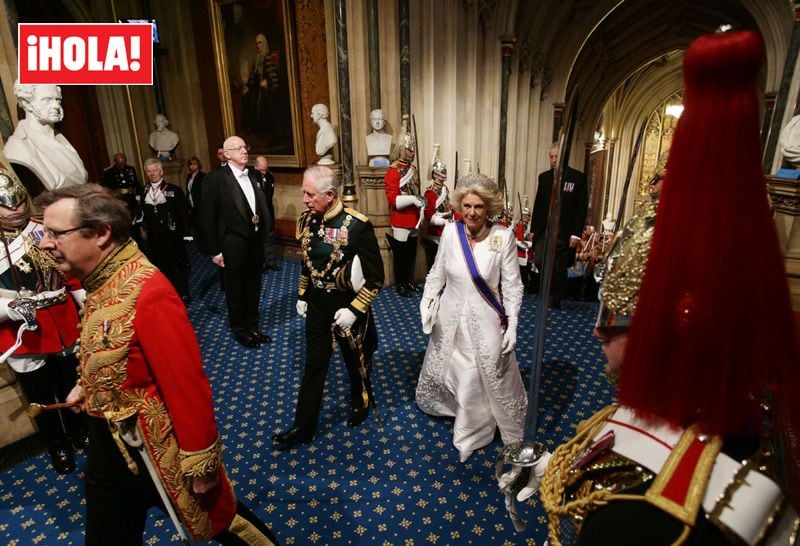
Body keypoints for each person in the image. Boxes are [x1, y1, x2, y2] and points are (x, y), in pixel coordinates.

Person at [537, 30, 800, 545]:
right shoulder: (751, 410)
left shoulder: (635, 518)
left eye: (612, 320)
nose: (596, 335)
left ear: (674, 328)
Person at [35, 184, 277, 545]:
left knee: (221, 522)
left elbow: (186, 385)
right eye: (44, 232)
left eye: (55, 233)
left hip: (154, 447)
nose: (44, 243)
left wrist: (202, 463)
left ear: (101, 233)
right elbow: (109, 345)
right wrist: (89, 386)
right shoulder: (99, 279)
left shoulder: (148, 290)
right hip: (108, 445)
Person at [416, 172, 526, 463]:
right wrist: (428, 300)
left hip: (486, 318)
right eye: (467, 206)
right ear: (459, 206)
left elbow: (513, 286)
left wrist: (513, 324)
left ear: (488, 208)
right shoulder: (451, 233)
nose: (472, 212)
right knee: (453, 369)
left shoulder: (503, 237)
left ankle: (470, 434)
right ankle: (455, 412)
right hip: (449, 316)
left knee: (475, 374)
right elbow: (437, 272)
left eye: (478, 207)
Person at [272, 166, 383, 448]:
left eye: (310, 195)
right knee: (314, 366)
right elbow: (308, 261)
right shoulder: (308, 220)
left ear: (330, 195)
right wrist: (302, 295)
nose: (305, 200)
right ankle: (303, 426)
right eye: (304, 194)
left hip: (346, 307)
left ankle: (361, 401)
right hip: (319, 307)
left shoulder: (358, 226)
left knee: (355, 361)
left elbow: (375, 279)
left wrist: (355, 310)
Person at [0, 167, 87, 474]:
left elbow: (70, 273)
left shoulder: (45, 229)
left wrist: (86, 303)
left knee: (70, 383)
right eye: (6, 204)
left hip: (62, 322)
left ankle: (80, 432)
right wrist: (10, 308)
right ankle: (57, 445)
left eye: (18, 201)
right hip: (24, 331)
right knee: (40, 396)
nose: (15, 209)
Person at [199, 136, 272, 348]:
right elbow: (206, 217)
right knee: (236, 289)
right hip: (232, 243)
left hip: (254, 241)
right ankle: (240, 330)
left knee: (254, 287)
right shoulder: (215, 178)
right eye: (238, 148)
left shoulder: (255, 175)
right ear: (227, 153)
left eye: (245, 147)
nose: (244, 151)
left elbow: (262, 208)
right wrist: (214, 251)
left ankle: (253, 326)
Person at [5, 80, 88, 196]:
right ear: (26, 103)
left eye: (57, 100)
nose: (56, 106)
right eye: (47, 100)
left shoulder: (61, 139)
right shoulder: (18, 147)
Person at [531, 142, 588, 308]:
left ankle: (554, 298)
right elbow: (539, 204)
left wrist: (576, 234)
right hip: (544, 230)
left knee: (558, 266)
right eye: (551, 157)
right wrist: (533, 229)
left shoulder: (577, 178)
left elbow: (581, 208)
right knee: (540, 260)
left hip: (565, 231)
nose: (554, 160)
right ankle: (546, 292)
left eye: (557, 157)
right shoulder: (544, 178)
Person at [141, 158, 190, 302]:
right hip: (155, 237)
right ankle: (169, 293)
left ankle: (183, 291)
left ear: (161, 172)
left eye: (155, 170)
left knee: (179, 263)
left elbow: (183, 214)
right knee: (162, 266)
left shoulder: (174, 190)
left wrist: (186, 233)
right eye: (149, 171)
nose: (152, 173)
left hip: (173, 234)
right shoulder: (144, 191)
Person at [384, 129, 425, 296]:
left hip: (414, 218)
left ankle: (408, 281)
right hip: (401, 219)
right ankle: (400, 284)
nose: (412, 152)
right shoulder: (393, 171)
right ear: (401, 149)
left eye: (413, 149)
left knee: (411, 253)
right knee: (401, 254)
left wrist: (420, 201)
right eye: (409, 149)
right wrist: (413, 199)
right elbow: (393, 199)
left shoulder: (413, 170)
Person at [101, 152, 144, 249]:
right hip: (118, 201)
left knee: (135, 225)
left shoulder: (130, 169)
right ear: (115, 162)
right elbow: (106, 188)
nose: (122, 165)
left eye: (123, 162)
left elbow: (136, 184)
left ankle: (139, 246)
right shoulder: (109, 173)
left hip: (131, 201)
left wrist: (138, 196)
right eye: (119, 163)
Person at [241, 33, 280, 139]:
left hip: (266, 92)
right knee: (251, 104)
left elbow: (274, 77)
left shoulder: (268, 57)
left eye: (260, 43)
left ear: (264, 43)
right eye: (256, 43)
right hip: (257, 90)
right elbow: (253, 77)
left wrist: (267, 82)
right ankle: (255, 130)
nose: (258, 45)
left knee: (266, 108)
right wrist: (248, 87)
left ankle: (270, 134)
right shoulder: (257, 59)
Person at [422, 155, 453, 271]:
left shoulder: (445, 188)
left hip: (445, 226)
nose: (443, 175)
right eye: (440, 172)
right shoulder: (430, 192)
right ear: (435, 175)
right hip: (435, 229)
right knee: (434, 261)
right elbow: (429, 215)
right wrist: (444, 221)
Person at [254, 155, 279, 271]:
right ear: (256, 167)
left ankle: (270, 261)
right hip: (257, 212)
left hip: (268, 210)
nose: (264, 172)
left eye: (266, 169)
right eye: (262, 170)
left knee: (269, 235)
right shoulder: (251, 177)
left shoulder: (270, 176)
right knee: (258, 238)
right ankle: (260, 263)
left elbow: (270, 194)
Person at [513, 203, 534, 292]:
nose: (527, 217)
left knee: (526, 272)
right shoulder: (518, 226)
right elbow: (516, 240)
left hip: (527, 253)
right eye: (525, 215)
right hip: (519, 252)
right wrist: (526, 244)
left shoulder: (529, 227)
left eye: (528, 216)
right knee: (519, 272)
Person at [185, 156, 206, 237]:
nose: (192, 166)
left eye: (194, 164)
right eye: (190, 164)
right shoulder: (189, 176)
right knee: (196, 228)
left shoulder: (203, 176)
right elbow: (188, 191)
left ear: (198, 165)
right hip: (192, 206)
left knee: (203, 227)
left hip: (201, 206)